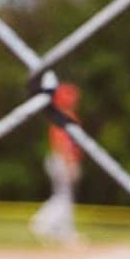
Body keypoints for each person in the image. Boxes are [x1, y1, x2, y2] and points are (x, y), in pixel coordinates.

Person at [30, 82, 82, 245]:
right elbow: (62, 143)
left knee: (62, 196)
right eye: (69, 95)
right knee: (64, 196)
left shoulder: (65, 115)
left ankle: (55, 228)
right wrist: (70, 162)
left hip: (60, 159)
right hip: (61, 160)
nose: (73, 98)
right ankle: (46, 224)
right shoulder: (62, 116)